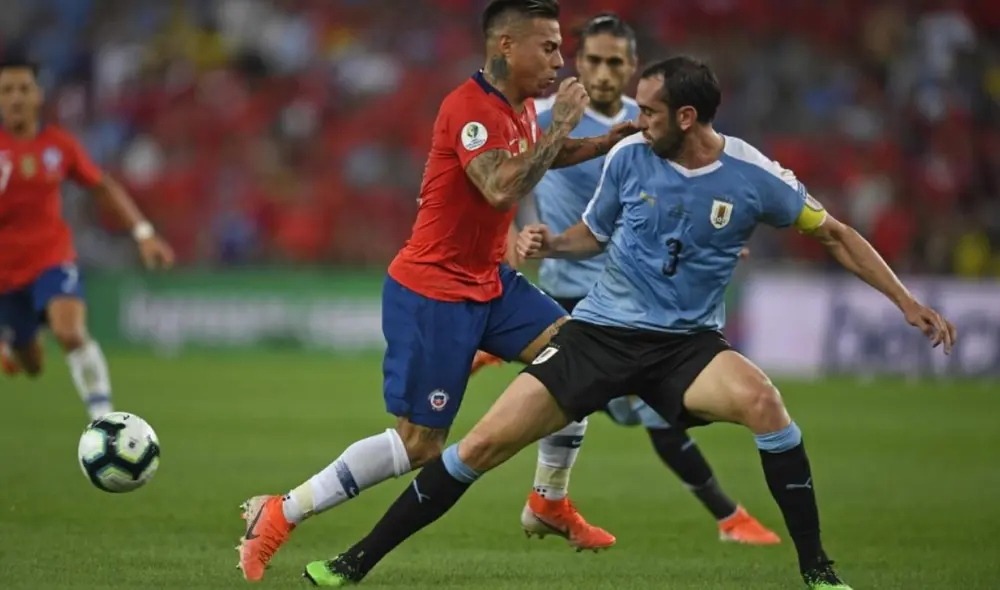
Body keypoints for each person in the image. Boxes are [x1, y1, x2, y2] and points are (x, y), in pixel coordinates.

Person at [297, 56, 957, 589]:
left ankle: (817, 569)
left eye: (649, 111)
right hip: (599, 335)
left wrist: (905, 301)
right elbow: (594, 233)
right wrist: (551, 244)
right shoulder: (628, 157)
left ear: (687, 117)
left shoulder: (753, 176)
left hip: (687, 348)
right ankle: (355, 562)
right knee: (479, 447)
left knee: (766, 403)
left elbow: (835, 233)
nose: (636, 121)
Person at [236, 0, 641, 581]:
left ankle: (548, 500)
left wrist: (604, 142)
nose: (561, 60)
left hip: (490, 282)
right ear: (507, 46)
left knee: (580, 354)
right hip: (436, 292)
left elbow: (536, 159)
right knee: (419, 445)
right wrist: (563, 124)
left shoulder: (520, 105)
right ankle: (281, 510)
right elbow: (500, 187)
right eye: (549, 47)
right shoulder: (468, 108)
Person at [475, 12, 779, 546]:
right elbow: (501, 184)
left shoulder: (654, 129)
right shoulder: (546, 118)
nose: (603, 72)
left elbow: (690, 200)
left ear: (633, 66)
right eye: (593, 60)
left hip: (638, 296)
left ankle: (546, 485)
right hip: (573, 292)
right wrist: (517, 236)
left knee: (631, 410)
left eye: (615, 62)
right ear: (577, 60)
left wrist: (716, 240)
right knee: (627, 408)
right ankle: (727, 517)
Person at [0, 58, 174, 420]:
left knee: (70, 332)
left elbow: (103, 187)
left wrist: (144, 233)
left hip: (52, 259)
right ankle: (16, 345)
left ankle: (103, 421)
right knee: (32, 364)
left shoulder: (59, 145)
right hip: (5, 276)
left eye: (23, 89)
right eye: (7, 90)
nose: (16, 97)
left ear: (38, 95)